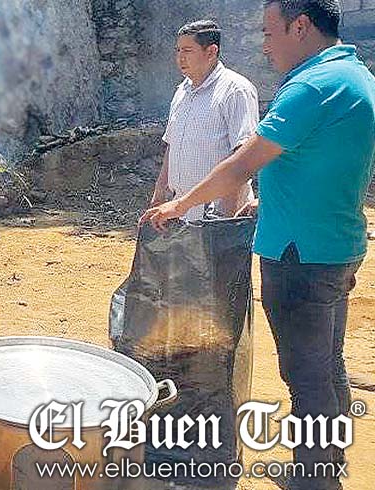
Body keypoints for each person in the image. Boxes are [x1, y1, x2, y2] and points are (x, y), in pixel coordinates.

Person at [142, 1, 375, 488]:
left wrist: (179, 204)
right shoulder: (355, 76)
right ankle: (325, 466)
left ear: (301, 26)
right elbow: (322, 165)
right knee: (327, 365)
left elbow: (242, 163)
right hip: (335, 242)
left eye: (269, 33)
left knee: (305, 376)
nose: (264, 46)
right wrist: (266, 204)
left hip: (299, 254)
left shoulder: (312, 86)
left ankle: (314, 480)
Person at [153, 20, 259, 220]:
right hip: (180, 212)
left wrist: (224, 219)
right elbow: (172, 145)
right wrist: (159, 196)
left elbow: (243, 155)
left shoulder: (236, 90)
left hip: (217, 216)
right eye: (178, 51)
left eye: (187, 51)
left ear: (211, 51)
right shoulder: (182, 91)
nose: (180, 58)